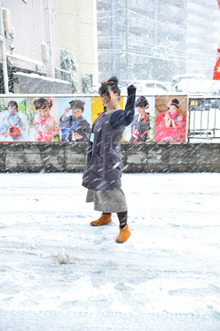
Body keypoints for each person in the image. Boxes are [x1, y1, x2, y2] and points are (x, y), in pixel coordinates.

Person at [82, 76, 136, 243]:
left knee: (113, 191)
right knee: (100, 186)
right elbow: (93, 135)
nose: (104, 98)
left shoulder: (117, 115)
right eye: (102, 95)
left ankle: (124, 228)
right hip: (97, 159)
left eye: (107, 94)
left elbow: (128, 117)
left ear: (117, 95)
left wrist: (132, 94)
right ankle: (106, 216)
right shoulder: (104, 114)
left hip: (109, 160)